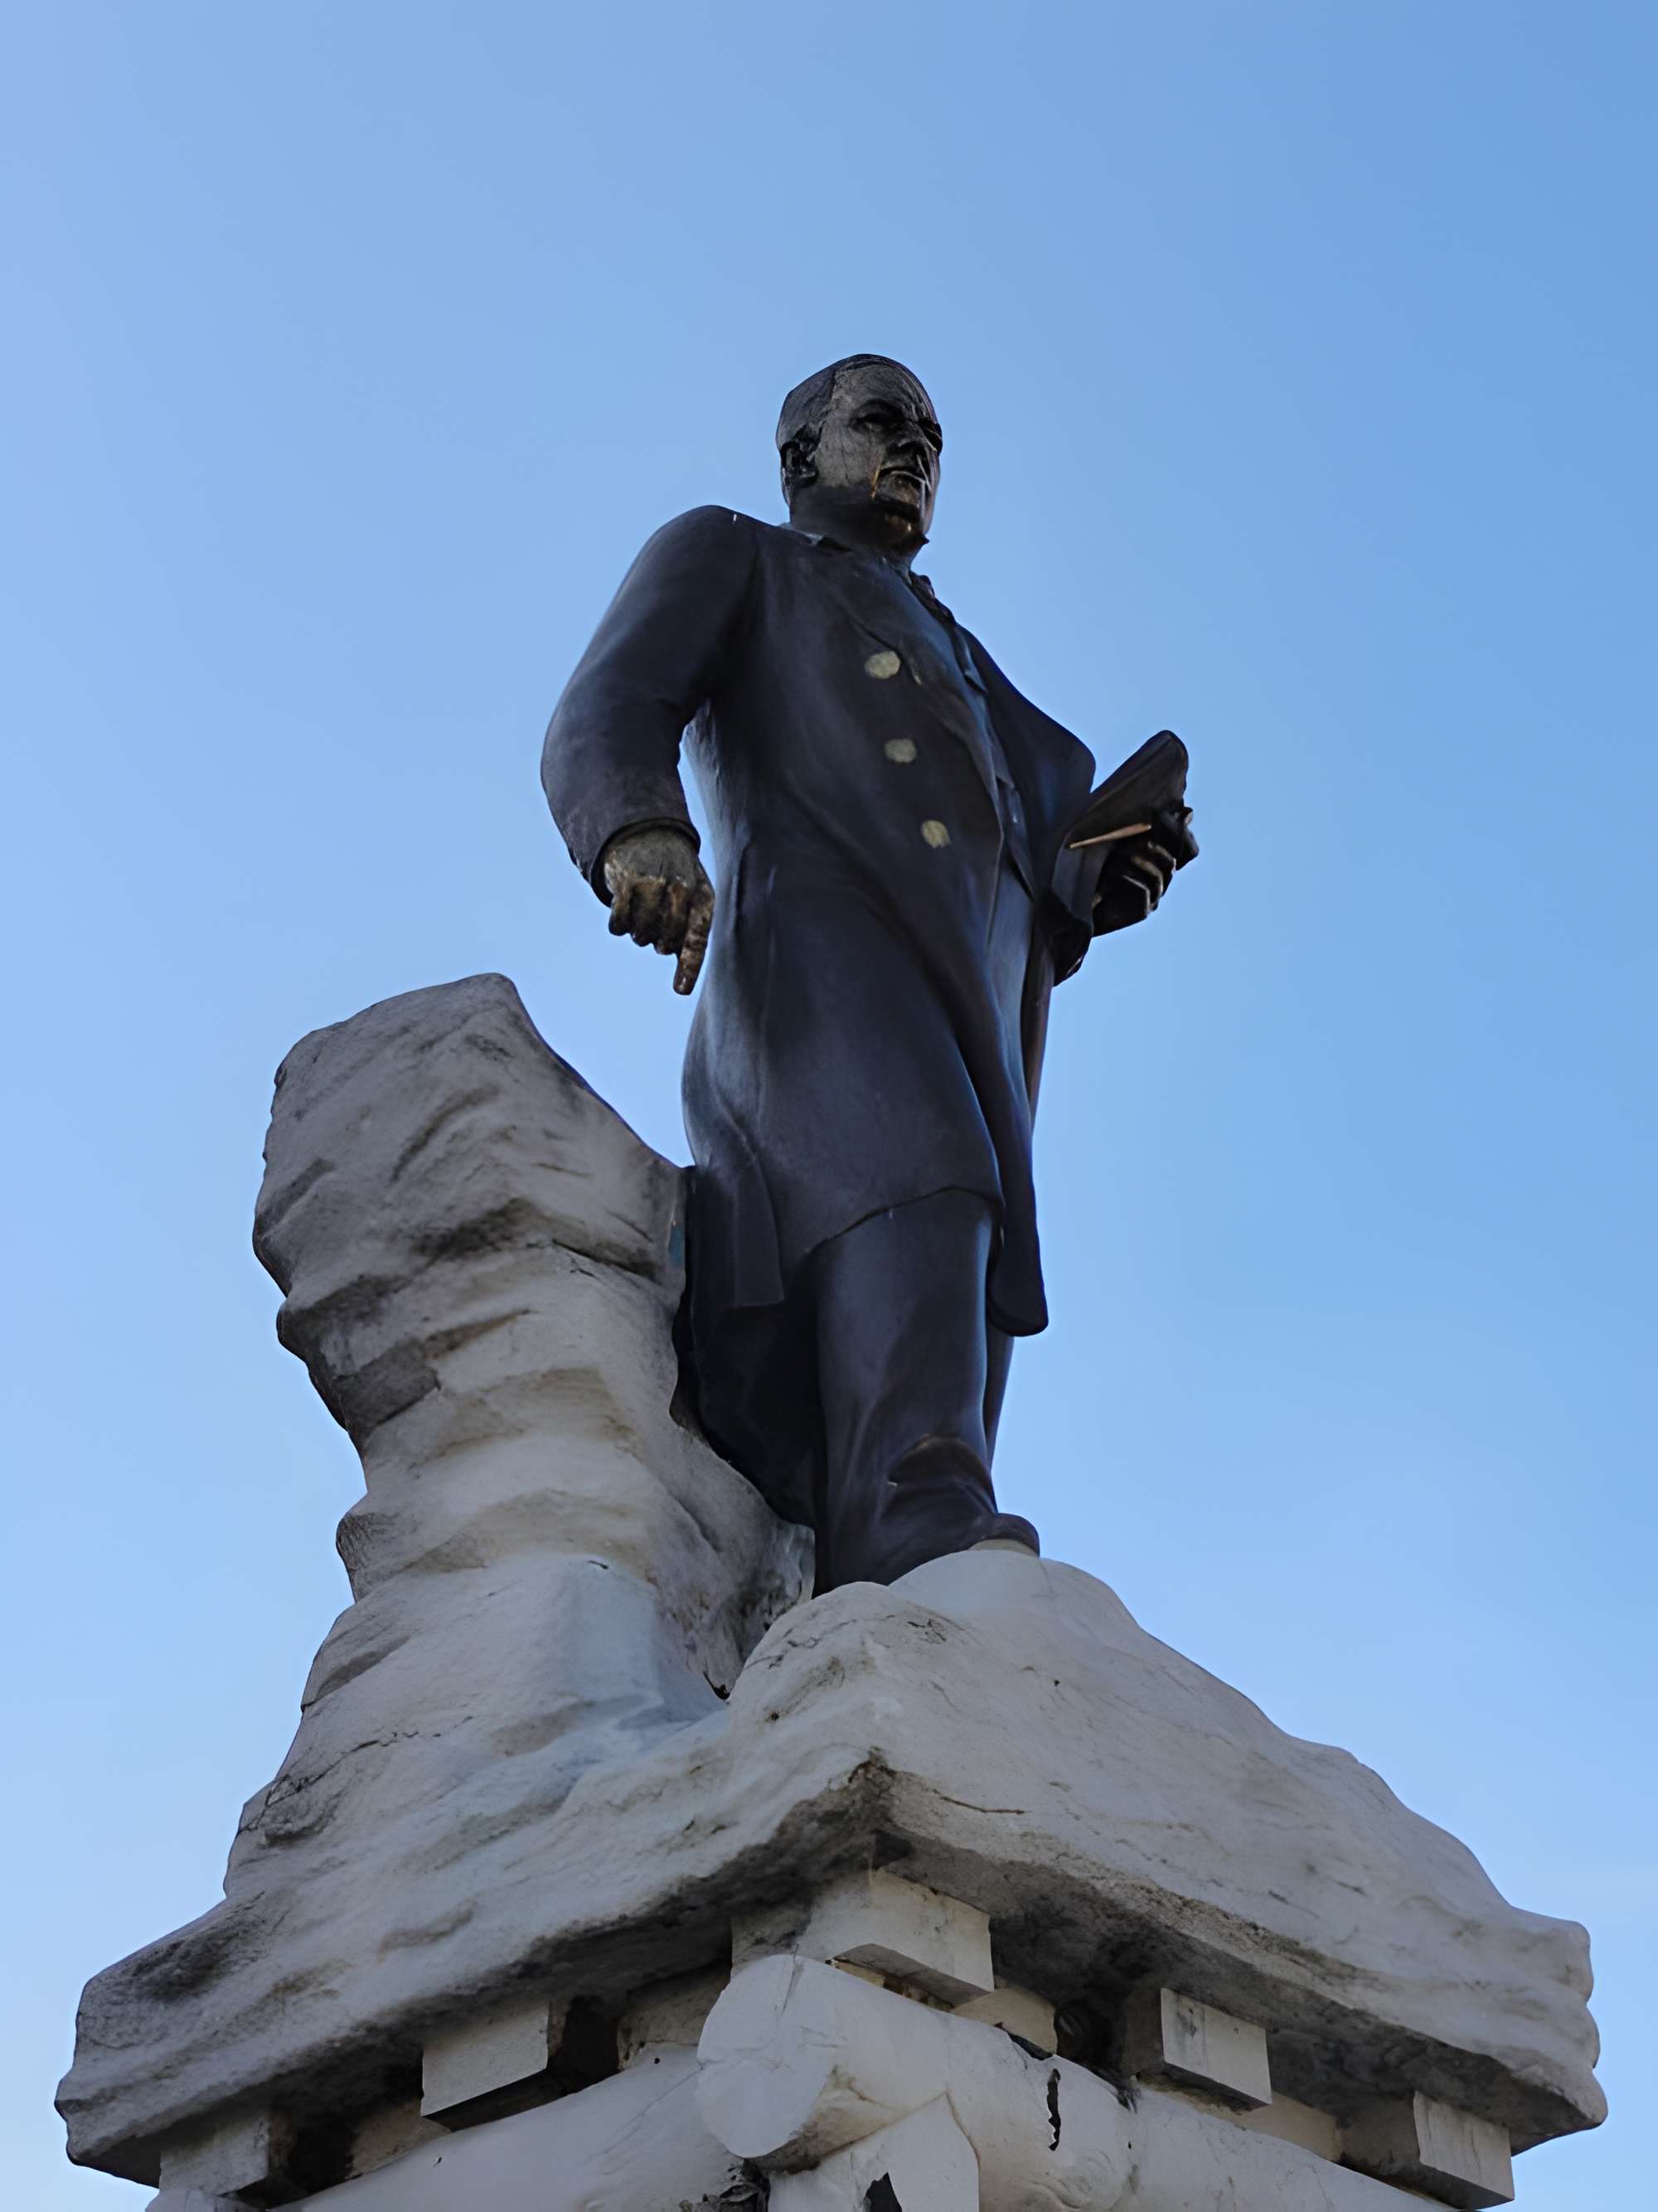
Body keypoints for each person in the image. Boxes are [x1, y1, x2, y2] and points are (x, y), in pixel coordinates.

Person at [542, 355, 1195, 1590]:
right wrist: (641, 830)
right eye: (884, 425)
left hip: (968, 993)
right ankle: (912, 1521)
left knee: (964, 1214)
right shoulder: (741, 556)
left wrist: (1105, 872)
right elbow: (609, 701)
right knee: (915, 1174)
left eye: (935, 439)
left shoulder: (962, 650)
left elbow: (1034, 844)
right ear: (801, 459)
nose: (916, 454)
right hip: (823, 947)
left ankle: (916, 1501)